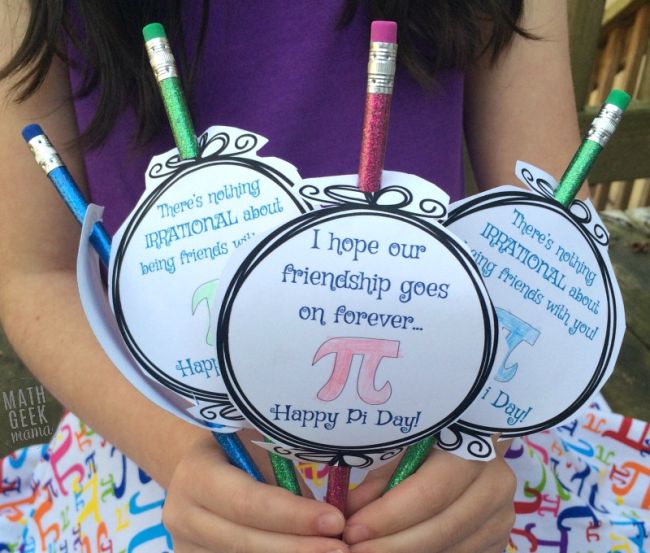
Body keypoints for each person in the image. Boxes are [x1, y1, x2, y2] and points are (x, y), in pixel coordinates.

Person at [0, 1, 588, 552]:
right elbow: (33, 274)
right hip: (158, 436)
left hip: (464, 441)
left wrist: (484, 439)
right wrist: (182, 456)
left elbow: (553, 242)